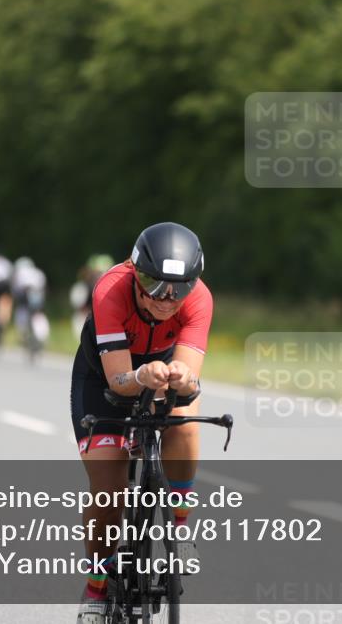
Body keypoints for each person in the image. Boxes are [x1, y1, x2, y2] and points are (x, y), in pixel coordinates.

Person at [71, 222, 210, 623]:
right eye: (153, 284)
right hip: (102, 379)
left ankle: (179, 526)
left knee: (183, 419)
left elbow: (188, 375)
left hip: (159, 368)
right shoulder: (110, 289)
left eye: (179, 287)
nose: (167, 298)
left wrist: (182, 379)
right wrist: (138, 378)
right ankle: (97, 590)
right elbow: (119, 380)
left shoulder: (200, 299)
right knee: (109, 491)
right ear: (135, 273)